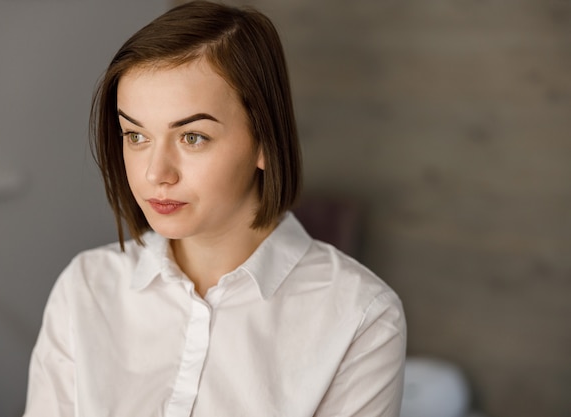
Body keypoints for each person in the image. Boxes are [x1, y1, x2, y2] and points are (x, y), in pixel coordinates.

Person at [22, 1, 406, 416]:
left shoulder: (361, 316)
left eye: (192, 138)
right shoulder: (85, 288)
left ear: (263, 139)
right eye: (135, 135)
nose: (156, 173)